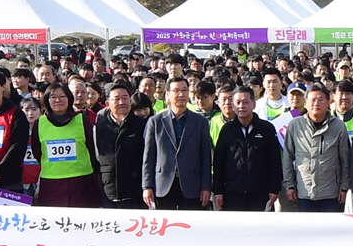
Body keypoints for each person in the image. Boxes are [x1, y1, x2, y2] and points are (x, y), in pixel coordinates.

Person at [142, 76, 212, 209]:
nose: (181, 94)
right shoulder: (155, 121)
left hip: (192, 185)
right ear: (168, 94)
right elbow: (149, 156)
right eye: (176, 91)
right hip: (163, 184)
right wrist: (147, 186)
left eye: (184, 90)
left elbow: (205, 156)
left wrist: (206, 186)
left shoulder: (200, 122)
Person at [284, 84, 353, 212]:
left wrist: (344, 187)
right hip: (304, 192)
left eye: (320, 99)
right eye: (312, 100)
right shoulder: (295, 125)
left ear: (328, 102)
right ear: (306, 102)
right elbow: (287, 158)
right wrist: (289, 185)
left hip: (331, 193)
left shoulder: (338, 126)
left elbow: (345, 160)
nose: (316, 103)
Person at [213, 85, 284, 211]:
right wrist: (218, 191)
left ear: (254, 104)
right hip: (233, 193)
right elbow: (219, 162)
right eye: (238, 102)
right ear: (233, 105)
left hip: (260, 192)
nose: (241, 106)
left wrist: (274, 189)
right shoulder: (227, 130)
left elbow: (274, 161)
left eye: (245, 102)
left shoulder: (266, 129)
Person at [95, 82, 148, 211]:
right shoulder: (99, 128)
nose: (121, 102)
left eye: (125, 98)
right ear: (107, 104)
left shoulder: (143, 125)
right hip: (109, 193)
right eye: (117, 99)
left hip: (136, 193)